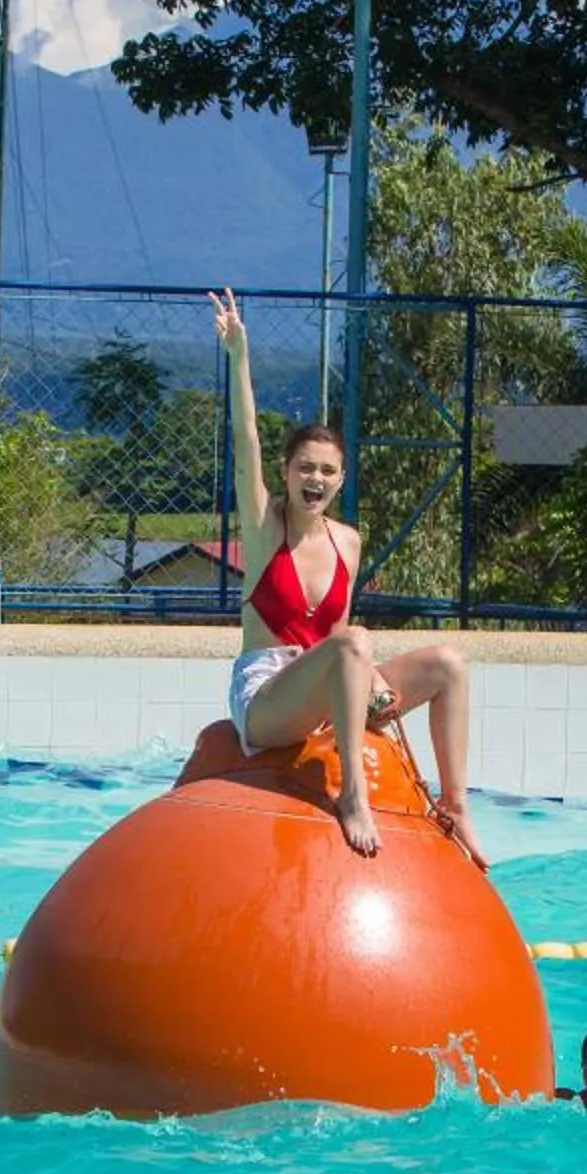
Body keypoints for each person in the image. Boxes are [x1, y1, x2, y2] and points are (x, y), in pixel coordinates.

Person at [210, 289, 487, 868]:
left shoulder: (348, 542)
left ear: (340, 479)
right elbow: (245, 442)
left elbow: (335, 639)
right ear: (286, 473)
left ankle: (456, 806)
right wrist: (238, 355)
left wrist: (371, 688)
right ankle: (353, 797)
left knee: (448, 664)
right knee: (356, 641)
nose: (314, 478)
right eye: (304, 468)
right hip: (266, 698)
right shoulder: (264, 528)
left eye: (327, 470)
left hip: (325, 683)